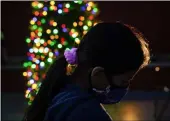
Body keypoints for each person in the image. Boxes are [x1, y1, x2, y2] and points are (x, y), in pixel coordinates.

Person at [22, 22, 150, 121]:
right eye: (124, 81)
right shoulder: (88, 113)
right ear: (98, 74)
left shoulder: (60, 93)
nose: (125, 88)